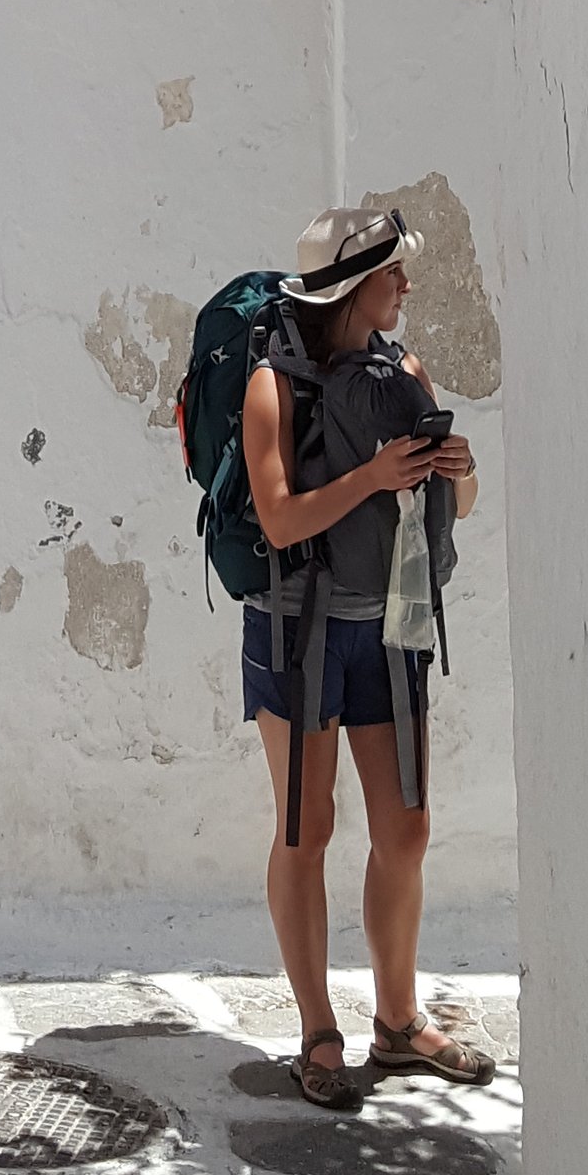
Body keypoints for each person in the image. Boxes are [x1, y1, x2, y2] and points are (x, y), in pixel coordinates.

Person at [240, 199, 494, 1110]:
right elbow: (279, 518)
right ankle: (318, 1032)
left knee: (406, 829)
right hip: (298, 634)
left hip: (387, 632)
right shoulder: (274, 387)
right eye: (393, 273)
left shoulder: (405, 372)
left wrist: (454, 475)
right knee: (307, 829)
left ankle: (398, 1023)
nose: (407, 286)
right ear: (355, 286)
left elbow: (445, 516)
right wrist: (370, 477)